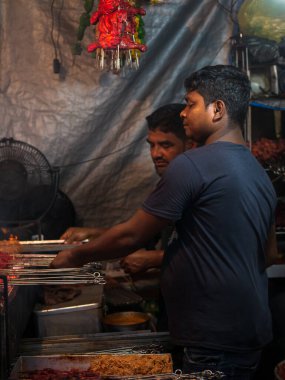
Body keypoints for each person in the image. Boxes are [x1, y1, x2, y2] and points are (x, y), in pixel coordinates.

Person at [51, 65, 278, 379]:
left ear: (217, 109)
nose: (184, 113)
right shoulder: (257, 173)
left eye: (190, 103)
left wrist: (75, 256)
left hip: (214, 336)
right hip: (247, 330)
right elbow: (268, 255)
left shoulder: (192, 165)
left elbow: (130, 235)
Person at [61, 103, 190, 275]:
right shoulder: (170, 182)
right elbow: (145, 233)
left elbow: (213, 253)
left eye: (166, 145)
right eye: (152, 145)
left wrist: (155, 258)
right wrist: (95, 234)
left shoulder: (193, 183)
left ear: (189, 145)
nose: (155, 154)